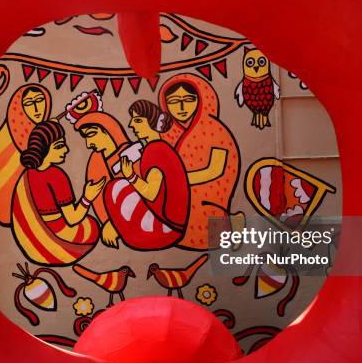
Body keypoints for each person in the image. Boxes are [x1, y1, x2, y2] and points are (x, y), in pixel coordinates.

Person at [158, 73, 241, 250]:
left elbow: (215, 171)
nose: (181, 106)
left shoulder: (217, 131)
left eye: (188, 99)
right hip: (179, 198)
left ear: (201, 100)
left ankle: (231, 224)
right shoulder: (168, 134)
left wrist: (177, 180)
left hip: (208, 197)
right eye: (173, 101)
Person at [10, 120, 104, 266]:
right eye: (59, 146)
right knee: (92, 227)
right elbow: (72, 219)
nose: (66, 149)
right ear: (44, 150)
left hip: (32, 246)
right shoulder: (56, 175)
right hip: (56, 241)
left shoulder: (27, 174)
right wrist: (87, 198)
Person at [102, 100, 190, 250]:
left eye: (137, 120)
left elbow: (151, 193)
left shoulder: (155, 150)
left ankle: (120, 230)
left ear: (152, 122)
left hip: (165, 230)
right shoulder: (160, 148)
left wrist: (130, 176)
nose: (131, 125)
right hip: (173, 226)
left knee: (114, 188)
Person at [0, 84, 52, 226]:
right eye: (29, 103)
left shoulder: (39, 131)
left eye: (39, 101)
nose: (36, 108)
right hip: (8, 204)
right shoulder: (15, 133)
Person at [75, 112, 142, 247]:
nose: (89, 144)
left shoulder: (133, 155)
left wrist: (115, 223)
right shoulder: (95, 162)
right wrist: (108, 222)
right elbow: (99, 201)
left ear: (108, 130)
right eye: (86, 138)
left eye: (91, 134)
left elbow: (144, 195)